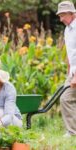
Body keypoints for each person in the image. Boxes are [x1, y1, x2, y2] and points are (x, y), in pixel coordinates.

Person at [57, 1, 76, 137]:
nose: (61, 19)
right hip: (73, 71)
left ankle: (73, 131)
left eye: (63, 15)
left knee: (65, 98)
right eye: (60, 15)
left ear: (72, 13)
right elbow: (70, 53)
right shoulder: (68, 29)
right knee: (65, 98)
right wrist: (69, 73)